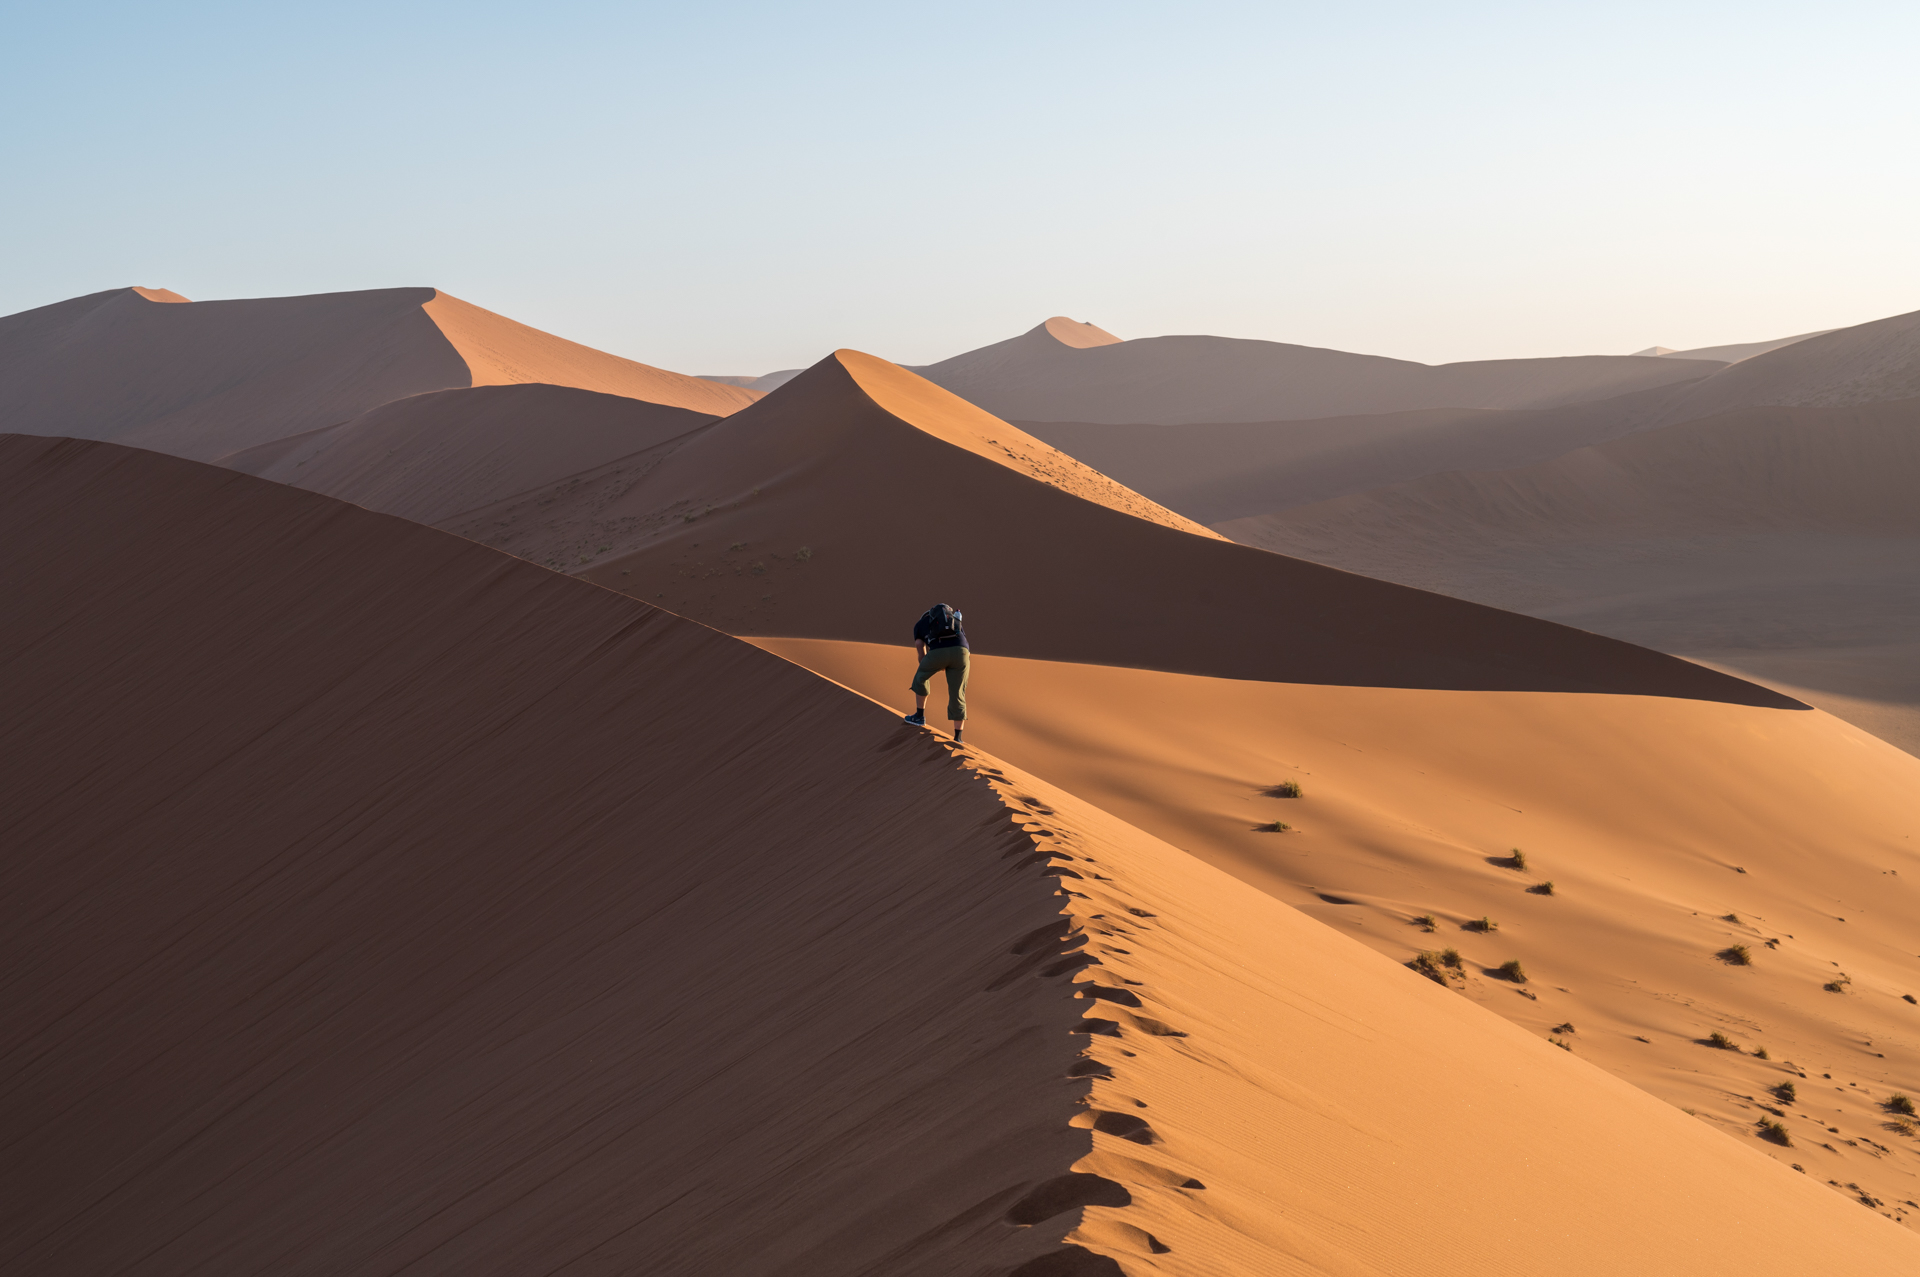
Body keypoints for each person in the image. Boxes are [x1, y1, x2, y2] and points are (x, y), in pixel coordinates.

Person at [904, 603, 968, 743]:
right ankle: (958, 738)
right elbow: (961, 642)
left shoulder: (920, 624)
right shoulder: (954, 621)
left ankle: (919, 717)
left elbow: (920, 649)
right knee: (958, 693)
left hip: (939, 652)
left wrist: (931, 664)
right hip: (962, 653)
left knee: (921, 677)